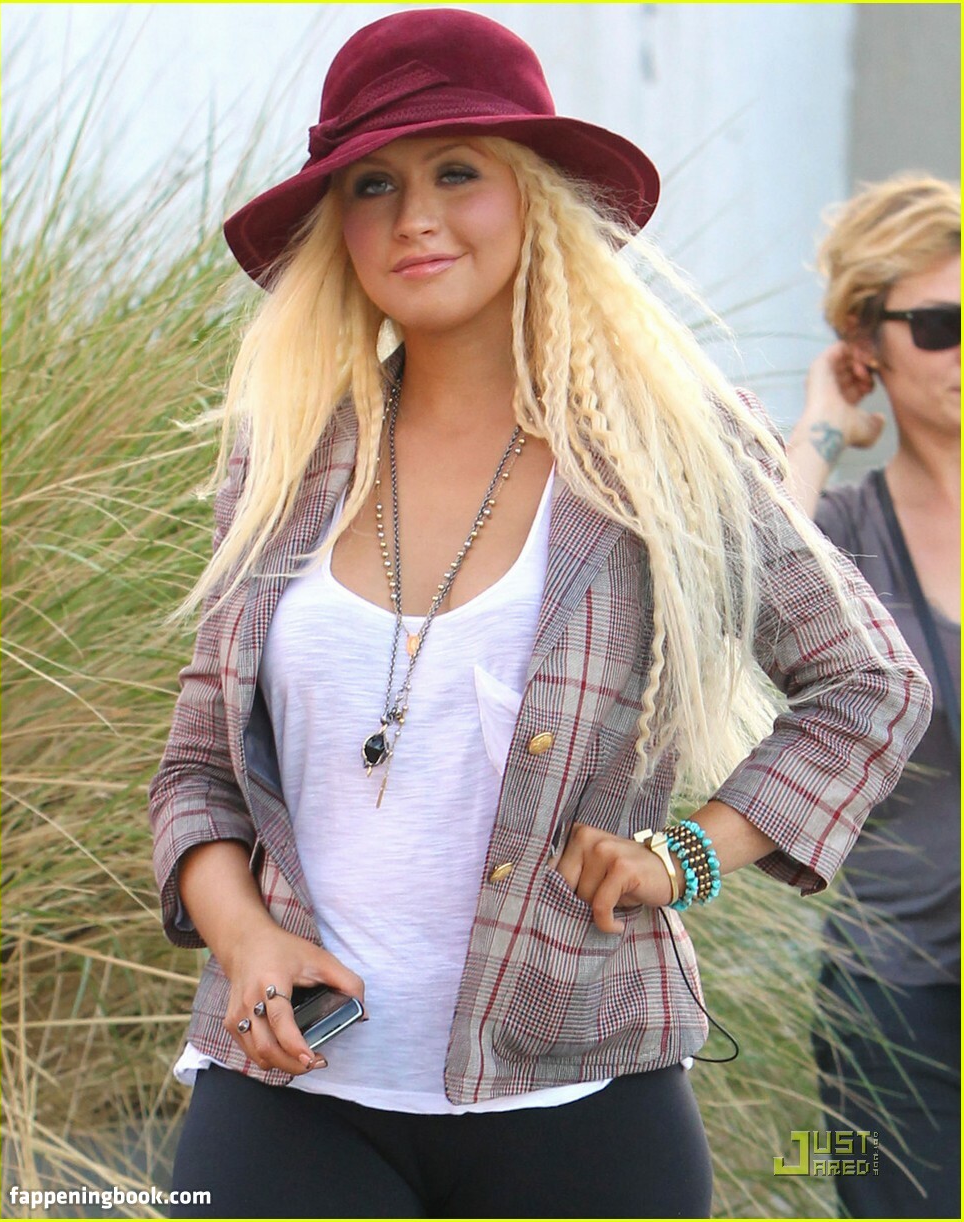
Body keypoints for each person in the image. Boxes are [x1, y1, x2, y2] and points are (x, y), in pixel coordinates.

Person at [150, 11, 931, 1219]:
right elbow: (198, 771)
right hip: (289, 1094)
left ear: (535, 199)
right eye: (373, 184)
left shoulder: (663, 449)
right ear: (337, 226)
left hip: (579, 1102)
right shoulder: (283, 459)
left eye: (458, 172)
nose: (415, 216)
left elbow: (869, 683)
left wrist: (686, 855)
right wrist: (245, 938)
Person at [786, 174, 960, 1219]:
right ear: (866, 340)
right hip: (892, 1008)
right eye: (940, 326)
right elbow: (741, 589)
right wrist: (821, 422)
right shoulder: (845, 537)